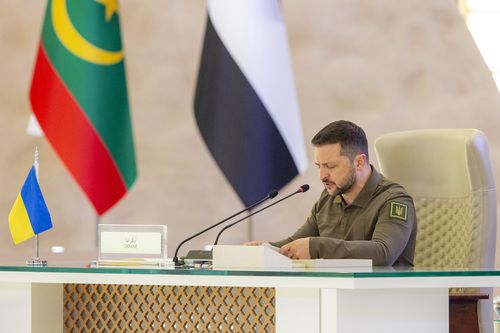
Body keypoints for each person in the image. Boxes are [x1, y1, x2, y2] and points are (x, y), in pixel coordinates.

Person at [246, 120, 417, 266]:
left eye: (330, 166)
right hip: (336, 296)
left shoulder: (394, 200)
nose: (322, 176)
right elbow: (296, 243)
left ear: (359, 162)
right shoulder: (328, 199)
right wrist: (265, 249)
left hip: (386, 299)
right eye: (319, 166)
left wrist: (317, 248)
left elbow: (383, 253)